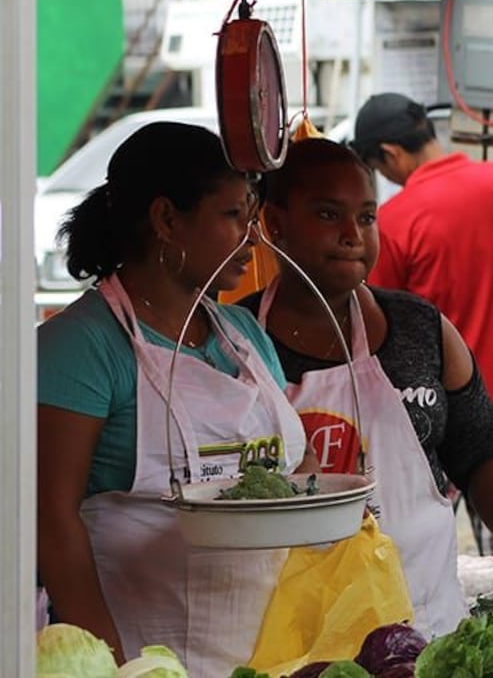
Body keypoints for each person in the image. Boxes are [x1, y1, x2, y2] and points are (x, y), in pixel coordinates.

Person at [241, 138, 493, 635]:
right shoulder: (236, 339)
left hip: (425, 622)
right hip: (291, 634)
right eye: (329, 215)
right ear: (275, 223)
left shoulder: (421, 329)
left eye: (368, 217)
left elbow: (483, 449)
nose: (353, 235)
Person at [37, 123, 312, 674]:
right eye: (233, 215)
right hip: (149, 651)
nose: (252, 238)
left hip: (271, 650)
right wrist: (113, 666)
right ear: (166, 219)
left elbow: (297, 465)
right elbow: (51, 519)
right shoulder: (81, 346)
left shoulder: (241, 331)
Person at [349, 93, 493, 556]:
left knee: (413, 553)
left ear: (391, 154)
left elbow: (379, 328)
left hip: (434, 414)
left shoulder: (395, 220)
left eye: (380, 171)